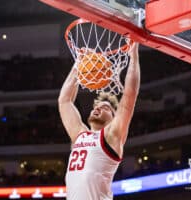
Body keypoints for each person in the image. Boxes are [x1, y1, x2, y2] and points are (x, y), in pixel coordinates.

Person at [58, 43, 140, 200]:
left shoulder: (112, 135)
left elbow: (130, 95)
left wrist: (134, 57)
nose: (98, 108)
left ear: (113, 119)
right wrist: (80, 64)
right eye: (97, 106)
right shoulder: (79, 135)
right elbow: (64, 101)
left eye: (106, 108)